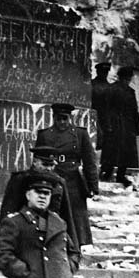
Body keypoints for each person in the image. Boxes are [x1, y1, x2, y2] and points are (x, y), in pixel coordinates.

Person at [35, 104, 98, 246]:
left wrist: (93, 185)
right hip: (52, 176)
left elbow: (89, 161)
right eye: (59, 119)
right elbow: (37, 161)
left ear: (70, 118)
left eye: (65, 119)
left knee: (75, 216)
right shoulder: (45, 135)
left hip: (73, 179)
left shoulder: (80, 134)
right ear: (53, 118)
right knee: (52, 211)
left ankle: (76, 246)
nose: (62, 122)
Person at [0, 146, 78, 248]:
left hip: (51, 233)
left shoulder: (58, 183)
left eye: (51, 165)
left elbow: (66, 214)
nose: (48, 169)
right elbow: (8, 209)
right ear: (35, 162)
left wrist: (73, 245)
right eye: (45, 164)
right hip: (25, 233)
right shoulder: (20, 180)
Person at [99, 66, 139, 187]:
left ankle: (113, 174)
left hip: (120, 125)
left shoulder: (117, 89)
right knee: (117, 151)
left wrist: (137, 129)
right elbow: (106, 109)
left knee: (118, 151)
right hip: (121, 125)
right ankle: (112, 174)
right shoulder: (120, 90)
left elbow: (134, 111)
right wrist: (137, 129)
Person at [91, 62, 113, 152]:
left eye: (106, 72)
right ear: (97, 72)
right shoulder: (92, 85)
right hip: (96, 116)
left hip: (107, 119)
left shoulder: (110, 87)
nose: (104, 74)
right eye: (103, 72)